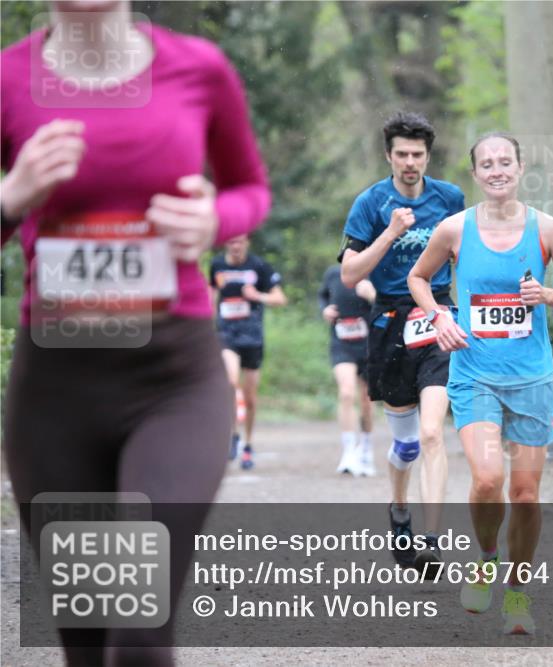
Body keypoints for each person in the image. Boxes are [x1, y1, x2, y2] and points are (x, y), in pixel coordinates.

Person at [1, 2, 270, 664]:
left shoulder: (199, 69)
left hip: (172, 382)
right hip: (54, 396)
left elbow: (248, 189)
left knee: (139, 629)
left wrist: (215, 219)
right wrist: (11, 195)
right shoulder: (8, 79)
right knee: (88, 644)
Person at [408, 133, 553, 635]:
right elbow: (419, 279)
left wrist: (546, 296)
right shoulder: (454, 229)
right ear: (476, 173)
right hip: (474, 376)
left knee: (527, 495)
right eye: (487, 164)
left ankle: (516, 593)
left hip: (532, 378)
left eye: (504, 162)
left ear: (520, 166)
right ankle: (487, 557)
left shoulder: (547, 228)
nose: (497, 171)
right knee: (488, 480)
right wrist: (439, 317)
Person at [339, 111, 465, 569]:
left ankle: (432, 539)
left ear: (428, 156)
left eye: (418, 154)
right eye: (402, 155)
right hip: (389, 320)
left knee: (433, 433)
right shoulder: (370, 203)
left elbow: (464, 256)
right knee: (407, 444)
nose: (410, 162)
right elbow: (351, 274)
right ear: (389, 156)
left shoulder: (450, 197)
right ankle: (399, 509)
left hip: (437, 314)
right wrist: (392, 231)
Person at [209, 233, 287, 469]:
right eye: (231, 241)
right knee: (231, 382)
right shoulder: (217, 265)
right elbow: (211, 294)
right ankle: (233, 435)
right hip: (226, 334)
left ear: (247, 243)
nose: (235, 246)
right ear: (226, 244)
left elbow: (280, 298)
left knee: (250, 397)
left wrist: (258, 296)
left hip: (252, 336)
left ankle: (248, 443)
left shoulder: (259, 266)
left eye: (239, 241)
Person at [318, 265, 376, 476]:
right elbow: (323, 296)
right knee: (346, 392)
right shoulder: (333, 273)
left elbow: (390, 306)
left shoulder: (375, 271)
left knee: (366, 402)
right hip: (342, 344)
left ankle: (367, 448)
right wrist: (324, 309)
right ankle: (349, 451)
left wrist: (372, 295)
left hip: (370, 346)